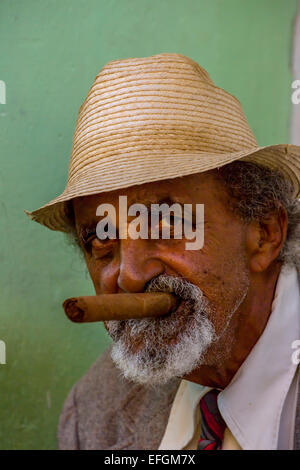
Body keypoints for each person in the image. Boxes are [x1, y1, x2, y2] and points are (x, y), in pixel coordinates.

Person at [26, 53, 300, 450]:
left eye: (165, 224)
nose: (130, 276)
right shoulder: (92, 413)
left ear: (264, 232)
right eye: (102, 238)